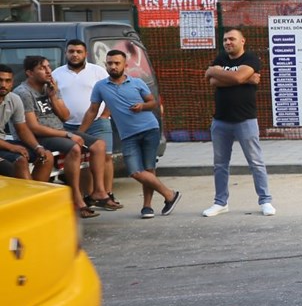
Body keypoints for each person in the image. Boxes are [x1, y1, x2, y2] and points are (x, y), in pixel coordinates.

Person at [78, 50, 180, 219]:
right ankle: (170, 194)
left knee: (148, 169)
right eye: (110, 63)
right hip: (128, 135)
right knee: (134, 171)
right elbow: (92, 111)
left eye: (117, 63)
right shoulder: (101, 87)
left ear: (125, 65)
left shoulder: (137, 82)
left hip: (149, 129)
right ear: (106, 65)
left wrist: (142, 106)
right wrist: (80, 133)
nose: (113, 66)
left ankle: (147, 207)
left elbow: (152, 102)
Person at [14, 56, 111, 217]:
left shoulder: (50, 87)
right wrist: (67, 134)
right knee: (74, 147)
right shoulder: (23, 92)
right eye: (42, 68)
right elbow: (34, 127)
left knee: (99, 145)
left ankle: (99, 192)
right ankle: (77, 198)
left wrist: (53, 96)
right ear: (29, 73)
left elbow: (65, 116)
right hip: (40, 136)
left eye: (48, 67)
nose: (48, 71)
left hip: (59, 130)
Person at [203, 28, 274, 217]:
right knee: (220, 164)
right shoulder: (220, 59)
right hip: (220, 121)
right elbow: (213, 83)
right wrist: (246, 79)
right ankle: (220, 202)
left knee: (256, 162)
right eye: (225, 40)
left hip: (246, 120)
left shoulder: (251, 59)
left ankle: (265, 201)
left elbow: (235, 77)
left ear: (242, 41)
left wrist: (218, 73)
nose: (227, 42)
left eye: (232, 39)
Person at [53, 39, 121, 210]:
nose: (75, 54)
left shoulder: (98, 71)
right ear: (66, 53)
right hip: (69, 126)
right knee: (82, 160)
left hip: (98, 122)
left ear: (86, 54)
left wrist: (106, 115)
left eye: (78, 51)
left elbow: (113, 93)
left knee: (106, 156)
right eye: (71, 51)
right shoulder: (56, 74)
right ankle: (88, 195)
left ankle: (107, 194)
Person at [0, 63, 48, 180]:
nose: (3, 85)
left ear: (12, 83)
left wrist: (37, 147)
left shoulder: (14, 99)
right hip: (4, 144)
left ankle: (38, 193)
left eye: (7, 81)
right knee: (19, 161)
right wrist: (12, 148)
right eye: (0, 80)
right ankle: (29, 197)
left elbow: (22, 129)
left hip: (2, 142)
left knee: (46, 156)